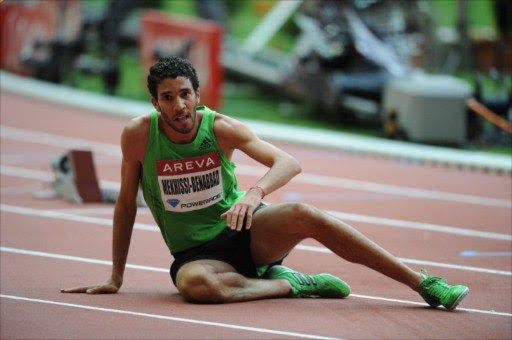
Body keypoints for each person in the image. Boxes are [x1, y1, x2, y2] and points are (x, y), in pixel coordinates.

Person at [61, 56, 469, 310]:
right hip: (197, 254)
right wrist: (116, 277)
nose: (179, 105)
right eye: (167, 97)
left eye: (185, 94)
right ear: (154, 103)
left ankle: (424, 284)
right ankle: (288, 285)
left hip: (245, 231)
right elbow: (126, 205)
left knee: (305, 214)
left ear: (198, 95)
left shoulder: (220, 128)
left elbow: (287, 162)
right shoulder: (138, 135)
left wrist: (255, 192)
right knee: (194, 286)